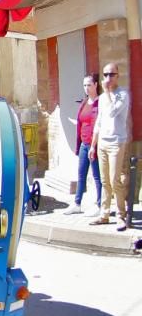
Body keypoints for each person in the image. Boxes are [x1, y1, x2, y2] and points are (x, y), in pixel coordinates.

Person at [89, 62, 131, 231]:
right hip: (103, 142)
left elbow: (114, 112)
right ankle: (104, 214)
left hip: (117, 142)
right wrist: (93, 145)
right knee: (105, 180)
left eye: (111, 75)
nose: (107, 78)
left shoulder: (122, 94)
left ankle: (121, 215)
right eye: (105, 75)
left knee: (115, 180)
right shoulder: (102, 99)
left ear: (117, 75)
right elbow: (99, 121)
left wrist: (106, 92)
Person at [66, 73, 101, 215]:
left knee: (97, 176)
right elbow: (82, 121)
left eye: (89, 85)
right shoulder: (85, 102)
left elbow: (98, 124)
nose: (86, 88)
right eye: (84, 85)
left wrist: (93, 145)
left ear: (96, 85)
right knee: (81, 174)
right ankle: (77, 203)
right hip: (84, 145)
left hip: (95, 145)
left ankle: (100, 205)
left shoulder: (100, 103)